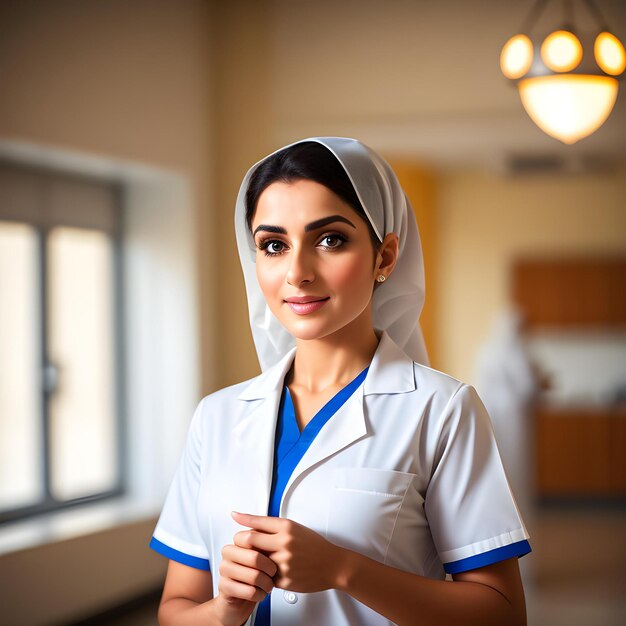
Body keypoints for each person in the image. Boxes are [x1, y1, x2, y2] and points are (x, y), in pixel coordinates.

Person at [149, 137, 531, 626]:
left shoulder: (443, 409)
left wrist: (342, 568)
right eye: (273, 245)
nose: (298, 273)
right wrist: (225, 610)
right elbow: (174, 610)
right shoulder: (217, 416)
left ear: (385, 257)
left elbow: (502, 613)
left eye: (329, 240)